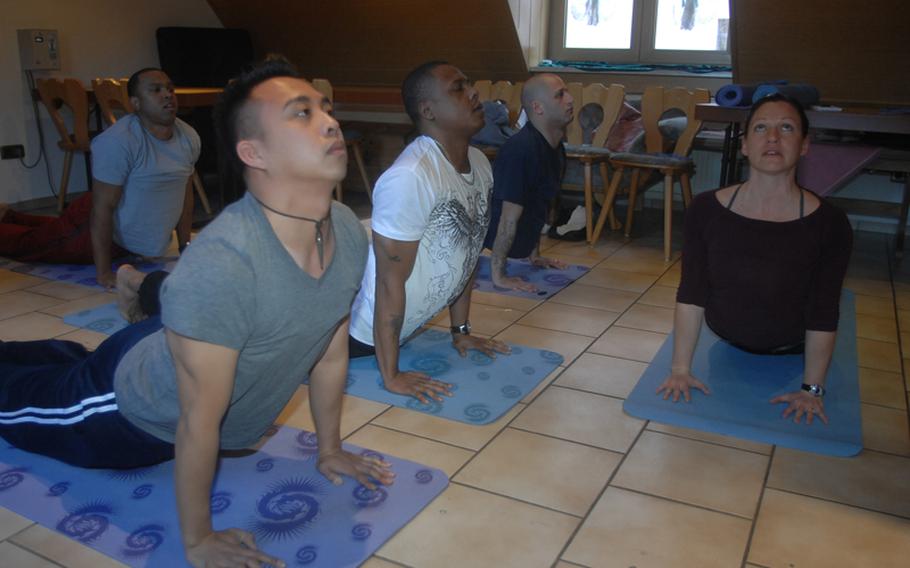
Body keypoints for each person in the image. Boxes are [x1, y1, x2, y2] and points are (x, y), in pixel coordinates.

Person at [0, 57, 394, 568]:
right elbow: (195, 422)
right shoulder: (225, 261)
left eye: (324, 108)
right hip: (121, 411)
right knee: (16, 401)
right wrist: (199, 540)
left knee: (66, 358)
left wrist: (330, 449)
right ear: (253, 152)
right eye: (301, 113)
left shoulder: (343, 228)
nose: (330, 120)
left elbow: (329, 354)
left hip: (165, 343)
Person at [657, 93, 853, 425]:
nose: (773, 137)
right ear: (745, 145)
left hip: (791, 345)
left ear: (804, 145)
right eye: (761, 128)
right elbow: (691, 294)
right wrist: (680, 370)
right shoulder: (705, 209)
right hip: (726, 338)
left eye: (786, 128)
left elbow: (823, 311)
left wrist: (812, 389)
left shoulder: (830, 224)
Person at [348, 61, 510, 404]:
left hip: (403, 329)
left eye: (468, 84)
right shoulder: (411, 177)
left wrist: (461, 332)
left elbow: (469, 252)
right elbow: (388, 284)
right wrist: (391, 376)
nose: (474, 92)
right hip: (354, 336)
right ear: (428, 111)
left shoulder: (480, 163)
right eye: (458, 88)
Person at [0, 68, 199, 289]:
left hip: (127, 242)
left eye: (170, 89)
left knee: (49, 231)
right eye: (156, 90)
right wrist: (104, 273)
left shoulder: (188, 137)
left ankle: (9, 215)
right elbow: (102, 209)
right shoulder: (119, 141)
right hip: (89, 224)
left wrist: (185, 246)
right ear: (136, 103)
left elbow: (185, 194)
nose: (167, 95)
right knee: (29, 244)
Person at [484, 73, 574, 292]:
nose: (570, 99)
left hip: (521, 245)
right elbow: (507, 218)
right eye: (560, 95)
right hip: (488, 241)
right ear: (538, 107)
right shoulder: (521, 150)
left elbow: (539, 202)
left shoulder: (555, 147)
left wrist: (535, 256)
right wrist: (499, 275)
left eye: (567, 92)